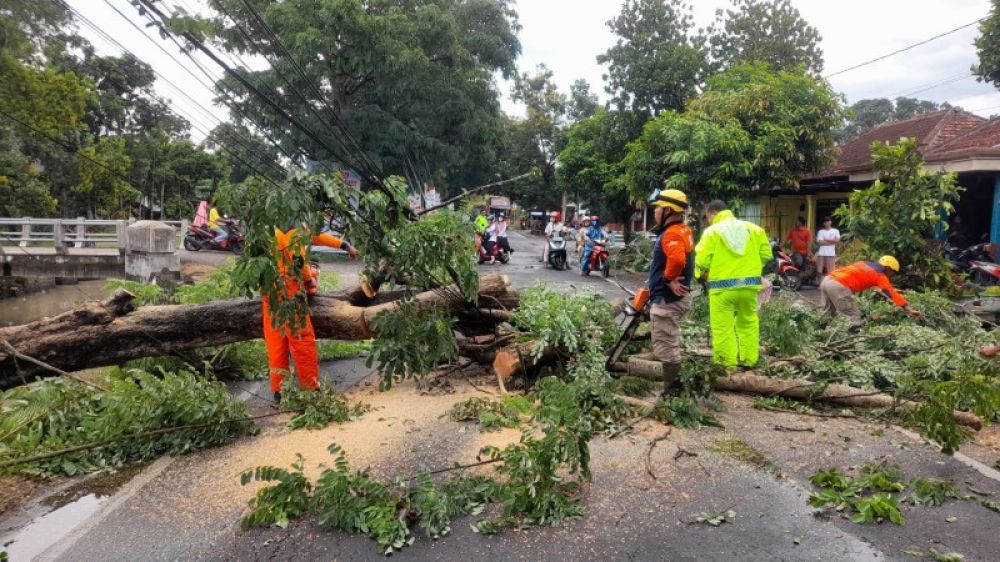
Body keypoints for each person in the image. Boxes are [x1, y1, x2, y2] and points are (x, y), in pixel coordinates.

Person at [265, 224, 358, 403]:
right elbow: (298, 261)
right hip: (290, 289)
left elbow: (317, 236)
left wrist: (344, 245)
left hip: (270, 289)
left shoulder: (269, 229)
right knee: (302, 339)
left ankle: (280, 391)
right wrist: (309, 281)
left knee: (276, 340)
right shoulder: (292, 231)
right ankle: (310, 388)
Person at [694, 200, 772, 370]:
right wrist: (751, 268)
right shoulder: (754, 229)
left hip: (722, 288)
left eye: (707, 217)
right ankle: (749, 361)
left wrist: (700, 275)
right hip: (750, 286)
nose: (708, 221)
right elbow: (766, 254)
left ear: (713, 213)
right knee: (749, 322)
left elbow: (701, 260)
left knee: (723, 327)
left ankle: (726, 365)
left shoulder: (711, 232)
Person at [646, 188, 694, 395]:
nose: (655, 211)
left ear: (667, 210)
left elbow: (677, 259)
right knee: (668, 341)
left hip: (668, 299)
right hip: (673, 297)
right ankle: (673, 390)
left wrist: (668, 279)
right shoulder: (684, 230)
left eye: (657, 208)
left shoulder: (672, 233)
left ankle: (673, 395)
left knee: (666, 345)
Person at [818, 256, 921, 327]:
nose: (892, 275)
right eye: (892, 272)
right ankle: (853, 344)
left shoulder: (864, 263)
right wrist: (908, 308)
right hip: (839, 286)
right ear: (887, 268)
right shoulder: (880, 276)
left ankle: (817, 335)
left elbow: (864, 280)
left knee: (827, 313)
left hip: (827, 280)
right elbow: (890, 292)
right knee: (853, 317)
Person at [815, 216, 840, 280]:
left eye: (828, 221)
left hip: (831, 253)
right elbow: (820, 242)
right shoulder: (821, 231)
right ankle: (820, 284)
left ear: (831, 222)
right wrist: (832, 242)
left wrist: (826, 240)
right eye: (825, 222)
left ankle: (829, 284)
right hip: (821, 253)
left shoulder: (835, 231)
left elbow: (837, 240)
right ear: (824, 223)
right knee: (819, 270)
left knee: (831, 271)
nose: (827, 223)